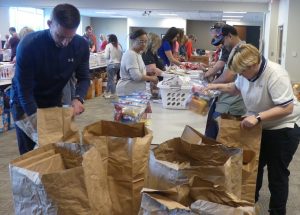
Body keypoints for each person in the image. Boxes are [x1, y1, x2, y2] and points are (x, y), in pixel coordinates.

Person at [204, 43, 300, 215]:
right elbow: (236, 87)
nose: (240, 75)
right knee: (253, 169)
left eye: (242, 72)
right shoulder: (247, 73)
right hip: (260, 127)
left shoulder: (275, 74)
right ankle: (248, 207)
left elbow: (287, 107)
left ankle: (277, 211)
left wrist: (257, 117)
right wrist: (215, 87)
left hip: (283, 128)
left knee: (277, 174)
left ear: (253, 64)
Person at [11, 3, 90, 155]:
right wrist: (39, 124)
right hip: (24, 101)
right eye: (60, 36)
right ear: (49, 24)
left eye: (70, 37)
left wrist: (79, 98)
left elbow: (84, 77)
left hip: (53, 98)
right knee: (31, 153)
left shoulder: (80, 45)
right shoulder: (29, 45)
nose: (65, 42)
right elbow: (24, 92)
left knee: (55, 148)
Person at [204, 23, 246, 139]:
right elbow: (221, 66)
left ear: (230, 36)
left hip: (231, 104)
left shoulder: (239, 51)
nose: (222, 45)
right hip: (227, 100)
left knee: (223, 140)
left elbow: (228, 77)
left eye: (223, 41)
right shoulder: (233, 49)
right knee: (214, 133)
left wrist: (211, 85)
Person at [116, 29, 158, 96]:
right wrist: (152, 78)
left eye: (145, 42)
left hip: (135, 90)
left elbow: (136, 72)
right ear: (133, 41)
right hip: (128, 90)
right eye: (141, 41)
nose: (144, 44)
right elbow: (136, 76)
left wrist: (147, 73)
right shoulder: (131, 54)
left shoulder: (138, 54)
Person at [142, 32, 165, 98]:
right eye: (157, 43)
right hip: (150, 85)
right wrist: (166, 74)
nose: (159, 46)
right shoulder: (147, 53)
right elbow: (153, 71)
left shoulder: (152, 52)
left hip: (154, 84)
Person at [104, 34, 123, 98]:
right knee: (110, 79)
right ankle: (106, 92)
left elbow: (106, 56)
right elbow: (121, 56)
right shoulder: (119, 46)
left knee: (111, 79)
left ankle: (113, 93)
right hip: (118, 65)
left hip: (111, 65)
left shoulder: (108, 46)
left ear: (109, 39)